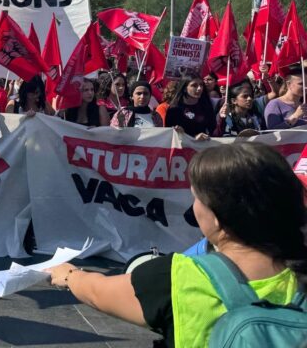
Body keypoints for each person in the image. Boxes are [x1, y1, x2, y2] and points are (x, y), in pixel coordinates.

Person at [46, 143, 307, 348]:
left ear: (217, 216)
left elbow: (97, 292)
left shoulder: (177, 277)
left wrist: (68, 274)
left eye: (196, 198)